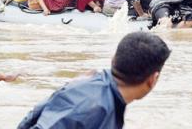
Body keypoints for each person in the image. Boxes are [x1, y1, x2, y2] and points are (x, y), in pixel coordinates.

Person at [18, 31, 171, 129]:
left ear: (113, 60)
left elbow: (32, 117)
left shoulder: (95, 87)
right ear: (153, 79)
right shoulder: (94, 107)